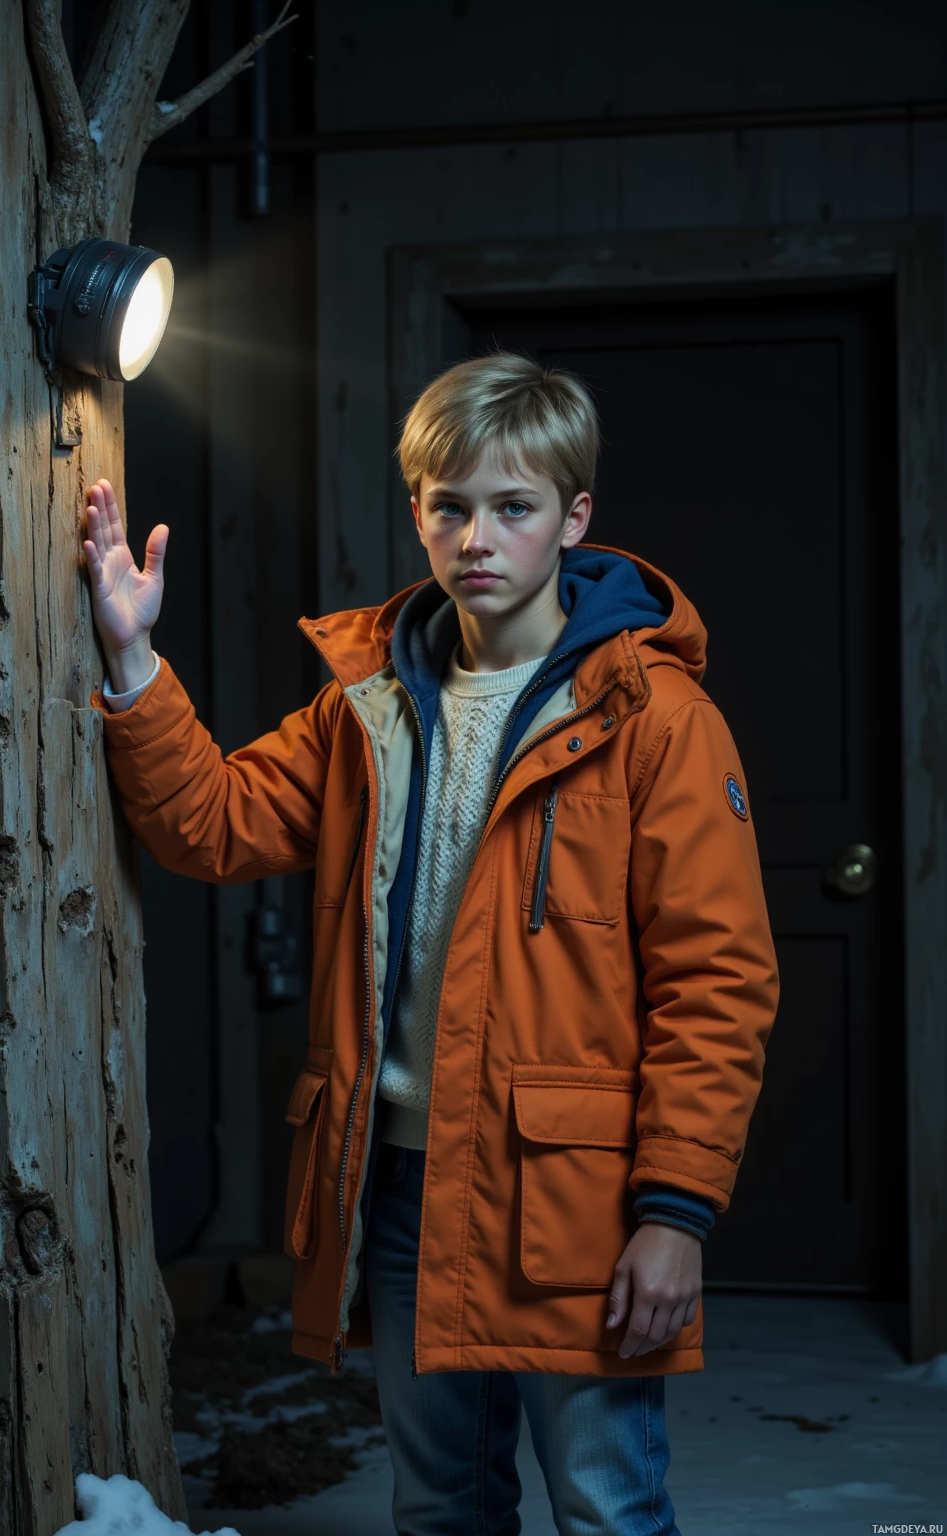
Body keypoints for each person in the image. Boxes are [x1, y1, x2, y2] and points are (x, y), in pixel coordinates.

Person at [84, 352, 779, 1536]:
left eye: (513, 507)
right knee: (440, 1510)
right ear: (416, 513)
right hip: (397, 1184)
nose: (477, 538)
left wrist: (674, 1217)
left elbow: (717, 983)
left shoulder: (655, 718)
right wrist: (134, 662)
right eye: (450, 506)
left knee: (607, 1507)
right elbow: (214, 823)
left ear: (573, 518)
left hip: (575, 1198)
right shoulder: (368, 706)